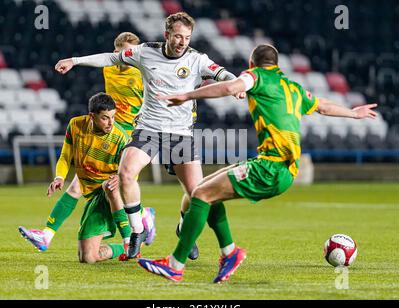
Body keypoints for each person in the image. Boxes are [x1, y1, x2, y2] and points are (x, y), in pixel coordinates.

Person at [137, 43, 378, 282]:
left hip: (271, 168)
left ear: (251, 64)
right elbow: (322, 106)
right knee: (201, 190)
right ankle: (229, 253)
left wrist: (187, 95)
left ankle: (176, 265)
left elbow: (232, 87)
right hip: (278, 168)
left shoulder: (256, 76)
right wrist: (354, 113)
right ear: (277, 65)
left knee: (201, 195)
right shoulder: (292, 87)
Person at [54, 12, 244, 259]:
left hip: (180, 134)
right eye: (177, 36)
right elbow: (110, 58)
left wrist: (237, 87)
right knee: (126, 172)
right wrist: (75, 60)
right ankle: (136, 231)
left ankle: (182, 228)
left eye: (186, 37)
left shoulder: (198, 60)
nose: (182, 42)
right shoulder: (144, 52)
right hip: (149, 129)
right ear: (167, 35)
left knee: (197, 192)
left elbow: (224, 74)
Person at [18, 33, 156, 254]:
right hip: (108, 129)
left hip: (130, 137)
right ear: (116, 53)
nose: (132, 57)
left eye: (135, 53)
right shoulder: (109, 67)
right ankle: (47, 235)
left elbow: (154, 98)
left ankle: (136, 229)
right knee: (80, 184)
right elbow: (98, 59)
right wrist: (73, 61)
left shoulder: (142, 74)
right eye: (127, 53)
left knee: (118, 186)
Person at [41, 92, 133, 263]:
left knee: (109, 186)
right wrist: (59, 177)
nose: (111, 123)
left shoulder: (121, 137)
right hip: (92, 192)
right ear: (92, 116)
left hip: (110, 192)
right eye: (105, 118)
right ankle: (126, 248)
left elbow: (130, 171)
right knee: (88, 257)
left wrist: (120, 178)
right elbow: (65, 156)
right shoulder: (76, 125)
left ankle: (130, 240)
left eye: (113, 117)